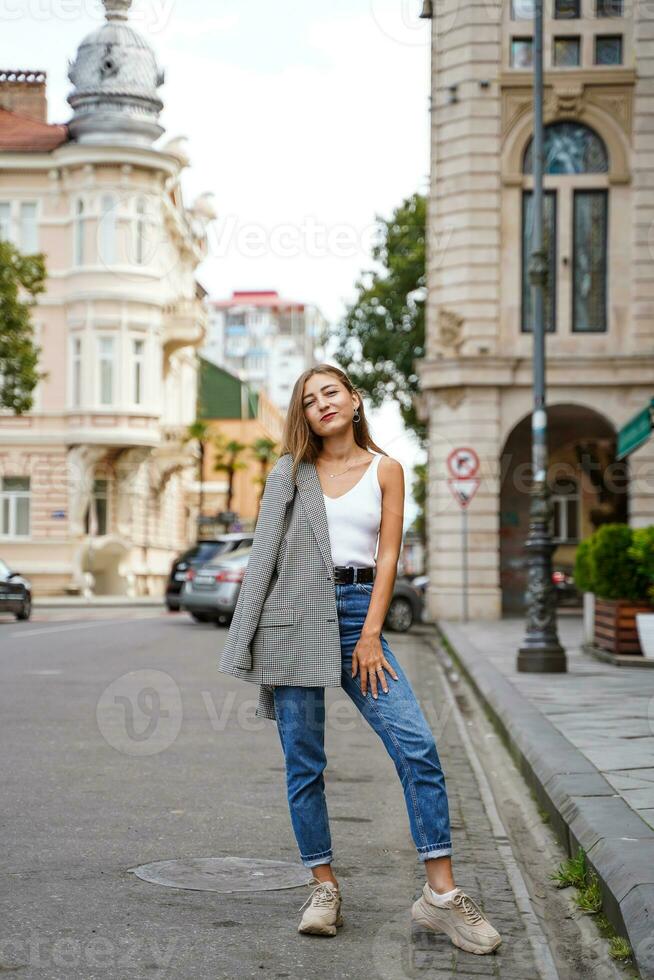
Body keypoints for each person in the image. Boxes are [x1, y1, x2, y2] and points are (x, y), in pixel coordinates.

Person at [218, 364, 501, 953]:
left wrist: (371, 632)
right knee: (304, 763)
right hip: (294, 618)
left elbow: (389, 557)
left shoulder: (387, 470)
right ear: (305, 414)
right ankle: (323, 886)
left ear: (353, 399)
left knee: (417, 746)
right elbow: (264, 558)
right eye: (310, 398)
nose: (322, 403)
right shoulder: (289, 475)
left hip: (356, 612)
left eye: (331, 392)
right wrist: (249, 638)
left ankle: (441, 897)